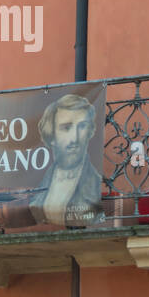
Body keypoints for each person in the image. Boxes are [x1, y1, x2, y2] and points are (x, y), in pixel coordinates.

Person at [30, 93, 103, 227]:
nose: (74, 139)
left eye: (82, 127)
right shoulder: (39, 182)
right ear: (51, 136)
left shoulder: (95, 183)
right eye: (66, 128)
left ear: (90, 132)